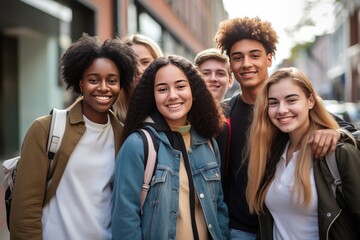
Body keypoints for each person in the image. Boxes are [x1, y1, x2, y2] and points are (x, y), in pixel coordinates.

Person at [213, 16, 358, 240]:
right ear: (231, 65)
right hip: (242, 230)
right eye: (237, 58)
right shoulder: (224, 115)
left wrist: (336, 132)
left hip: (286, 223)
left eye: (255, 55)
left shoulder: (294, 110)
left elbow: (349, 136)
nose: (246, 63)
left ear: (269, 59)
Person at [10, 33, 137, 240]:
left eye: (112, 80)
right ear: (80, 83)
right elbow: (25, 208)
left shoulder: (123, 136)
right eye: (93, 80)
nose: (103, 88)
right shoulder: (46, 129)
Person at [112, 55, 229, 240]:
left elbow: (219, 208)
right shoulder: (138, 145)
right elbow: (125, 219)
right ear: (153, 96)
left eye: (180, 86)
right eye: (162, 89)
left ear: (194, 90)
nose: (172, 95)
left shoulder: (209, 144)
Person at [246, 67, 360, 239]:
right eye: (274, 102)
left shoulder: (337, 153)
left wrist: (341, 134)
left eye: (291, 100)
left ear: (311, 101)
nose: (281, 110)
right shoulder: (272, 154)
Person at [114, 33, 163, 123]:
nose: (139, 70)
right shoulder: (110, 119)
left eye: (145, 62)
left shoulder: (174, 112)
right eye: (131, 64)